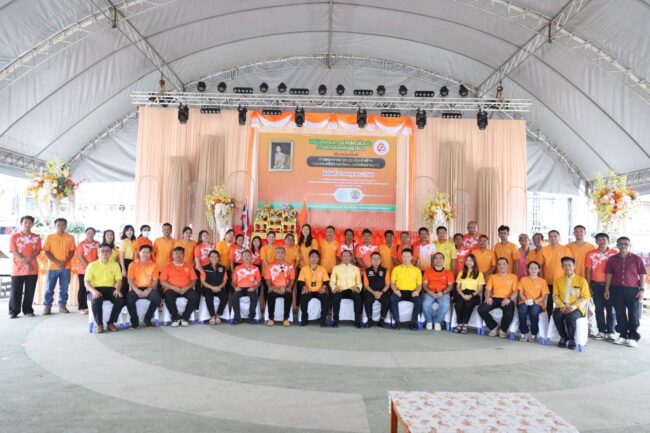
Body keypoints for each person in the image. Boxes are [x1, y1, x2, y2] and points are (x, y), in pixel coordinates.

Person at [604, 237, 647, 347]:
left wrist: (642, 290)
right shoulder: (612, 259)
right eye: (620, 244)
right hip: (616, 289)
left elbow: (642, 274)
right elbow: (609, 274)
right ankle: (622, 335)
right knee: (620, 313)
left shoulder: (636, 259)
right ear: (617, 245)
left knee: (633, 314)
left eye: (626, 244)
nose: (623, 245)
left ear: (630, 245)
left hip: (633, 290)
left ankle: (632, 337)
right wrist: (607, 288)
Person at [585, 233, 618, 340]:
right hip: (596, 284)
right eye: (599, 239)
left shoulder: (615, 253)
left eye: (604, 239)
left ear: (608, 241)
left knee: (611, 309)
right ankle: (601, 331)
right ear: (596, 241)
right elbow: (588, 270)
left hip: (612, 285)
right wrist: (588, 285)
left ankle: (611, 331)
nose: (602, 241)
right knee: (599, 309)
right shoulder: (590, 254)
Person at [85, 243, 124, 333]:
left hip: (110, 289)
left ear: (111, 253)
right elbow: (86, 282)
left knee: (120, 299)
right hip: (95, 289)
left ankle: (111, 323)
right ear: (98, 252)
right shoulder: (92, 265)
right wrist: (93, 291)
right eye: (102, 251)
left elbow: (119, 280)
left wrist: (117, 289)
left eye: (107, 251)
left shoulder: (115, 265)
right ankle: (100, 324)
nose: (105, 253)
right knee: (96, 299)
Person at [553, 257, 590, 349]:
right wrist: (562, 306)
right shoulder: (558, 280)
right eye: (565, 265)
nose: (567, 268)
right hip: (562, 306)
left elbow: (585, 297)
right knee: (557, 315)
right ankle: (563, 337)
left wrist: (573, 307)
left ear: (574, 266)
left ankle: (571, 339)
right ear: (562, 267)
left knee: (570, 317)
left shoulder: (582, 281)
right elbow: (555, 296)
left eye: (569, 265)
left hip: (578, 308)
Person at [8, 215, 42, 319]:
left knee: (30, 291)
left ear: (32, 224)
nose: (27, 224)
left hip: (32, 269)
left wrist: (29, 258)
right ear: (21, 224)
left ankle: (28, 310)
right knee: (15, 291)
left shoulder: (36, 237)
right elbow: (14, 251)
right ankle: (14, 311)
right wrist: (26, 262)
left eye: (30, 223)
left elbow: (38, 250)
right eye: (25, 222)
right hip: (17, 268)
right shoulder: (14, 236)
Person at [42, 218, 76, 315]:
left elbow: (72, 251)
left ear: (66, 226)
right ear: (55, 226)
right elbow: (46, 251)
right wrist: (57, 262)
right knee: (49, 288)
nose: (61, 226)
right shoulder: (49, 237)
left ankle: (62, 306)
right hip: (52, 267)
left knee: (64, 288)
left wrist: (64, 262)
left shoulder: (70, 237)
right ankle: (47, 306)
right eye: (59, 224)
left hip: (66, 267)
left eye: (63, 225)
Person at [159, 247, 199, 327]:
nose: (178, 255)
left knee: (194, 297)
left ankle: (185, 318)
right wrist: (174, 287)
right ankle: (175, 318)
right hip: (171, 289)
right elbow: (162, 281)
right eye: (176, 253)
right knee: (169, 297)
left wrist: (186, 288)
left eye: (181, 253)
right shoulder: (167, 266)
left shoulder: (189, 265)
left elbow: (193, 280)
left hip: (186, 288)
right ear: (172, 255)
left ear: (184, 255)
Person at [478, 258, 518, 338]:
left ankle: (503, 329)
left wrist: (509, 299)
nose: (502, 266)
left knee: (508, 312)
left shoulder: (514, 277)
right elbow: (487, 290)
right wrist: (487, 297)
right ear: (497, 266)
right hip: (494, 298)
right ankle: (493, 327)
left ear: (508, 265)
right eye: (499, 264)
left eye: (504, 264)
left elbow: (515, 292)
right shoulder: (493, 277)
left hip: (507, 299)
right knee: (481, 309)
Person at [125, 244, 161, 328]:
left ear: (150, 254)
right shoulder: (132, 264)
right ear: (139, 253)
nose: (146, 254)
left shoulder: (153, 265)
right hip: (136, 288)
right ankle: (134, 321)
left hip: (149, 288)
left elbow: (155, 281)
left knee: (157, 298)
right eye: (144, 252)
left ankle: (147, 318)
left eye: (148, 252)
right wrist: (137, 290)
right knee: (129, 299)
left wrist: (148, 290)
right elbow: (130, 280)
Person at [538, 230, 572, 314]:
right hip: (548, 281)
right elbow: (540, 266)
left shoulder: (565, 249)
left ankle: (561, 319)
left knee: (563, 302)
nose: (553, 238)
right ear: (548, 238)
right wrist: (542, 279)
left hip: (563, 281)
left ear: (559, 237)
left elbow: (570, 265)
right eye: (550, 236)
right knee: (549, 302)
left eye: (555, 236)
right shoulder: (543, 250)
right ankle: (549, 319)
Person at [390, 248, 423, 330]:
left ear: (411, 257)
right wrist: (395, 290)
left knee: (419, 301)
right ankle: (397, 321)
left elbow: (419, 285)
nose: (406, 258)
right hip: (399, 292)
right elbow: (392, 283)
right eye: (404, 256)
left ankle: (413, 322)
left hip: (412, 292)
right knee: (392, 299)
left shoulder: (417, 270)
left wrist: (417, 291)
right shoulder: (396, 269)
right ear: (401, 257)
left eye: (408, 256)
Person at [516, 261, 549, 342]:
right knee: (522, 310)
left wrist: (535, 301)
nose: (533, 270)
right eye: (531, 268)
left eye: (535, 268)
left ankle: (534, 333)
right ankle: (523, 332)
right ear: (528, 269)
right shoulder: (523, 280)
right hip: (525, 301)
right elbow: (520, 293)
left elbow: (544, 296)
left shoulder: (542, 281)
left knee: (534, 311)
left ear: (539, 270)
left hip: (538, 303)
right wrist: (526, 300)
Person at [330, 250, 363, 328]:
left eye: (348, 256)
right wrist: (335, 288)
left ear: (351, 257)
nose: (346, 257)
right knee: (335, 299)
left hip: (352, 289)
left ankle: (357, 321)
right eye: (344, 256)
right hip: (340, 289)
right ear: (341, 257)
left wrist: (358, 288)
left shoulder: (356, 268)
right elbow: (332, 281)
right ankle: (335, 320)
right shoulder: (336, 268)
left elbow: (359, 282)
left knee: (358, 298)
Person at [422, 252, 454, 331]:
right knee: (425, 304)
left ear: (443, 260)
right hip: (430, 293)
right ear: (433, 260)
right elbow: (424, 285)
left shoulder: (448, 272)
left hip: (443, 293)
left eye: (440, 258)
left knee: (445, 305)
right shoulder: (428, 271)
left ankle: (437, 321)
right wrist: (431, 292)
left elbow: (450, 286)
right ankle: (429, 321)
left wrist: (442, 293)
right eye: (436, 258)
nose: (438, 260)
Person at [453, 254, 485, 334]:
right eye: (467, 260)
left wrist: (471, 295)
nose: (468, 262)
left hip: (474, 294)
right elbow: (458, 287)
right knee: (458, 304)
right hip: (462, 293)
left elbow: (480, 289)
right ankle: (459, 323)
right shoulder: (461, 273)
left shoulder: (479, 274)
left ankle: (465, 324)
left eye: (471, 260)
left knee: (468, 304)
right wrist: (463, 295)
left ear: (474, 262)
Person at [264, 247, 295, 326]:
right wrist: (270, 287)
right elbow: (267, 279)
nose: (280, 254)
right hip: (274, 288)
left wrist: (289, 287)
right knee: (270, 295)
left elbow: (292, 279)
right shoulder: (270, 265)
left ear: (285, 254)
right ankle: (271, 318)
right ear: (275, 254)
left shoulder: (290, 265)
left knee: (289, 296)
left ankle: (286, 319)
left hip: (285, 288)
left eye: (282, 252)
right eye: (278, 252)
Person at [298, 250, 329, 327]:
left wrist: (323, 288)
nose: (314, 259)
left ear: (318, 259)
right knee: (303, 299)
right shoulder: (304, 269)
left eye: (316, 257)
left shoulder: (322, 269)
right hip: (308, 290)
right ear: (309, 258)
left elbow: (326, 281)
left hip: (319, 290)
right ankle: (304, 319)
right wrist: (304, 288)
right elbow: (301, 281)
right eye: (312, 257)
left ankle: (323, 320)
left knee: (325, 299)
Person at [231, 250, 261, 324]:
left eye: (248, 255)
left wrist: (254, 288)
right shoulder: (237, 268)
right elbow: (233, 282)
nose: (247, 257)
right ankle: (237, 318)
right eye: (245, 256)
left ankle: (251, 318)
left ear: (251, 257)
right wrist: (235, 287)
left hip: (251, 288)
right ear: (242, 258)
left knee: (254, 298)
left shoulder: (255, 268)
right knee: (234, 297)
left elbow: (259, 282)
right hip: (240, 288)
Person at [362, 252, 391, 328]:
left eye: (378, 258)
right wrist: (373, 292)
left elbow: (388, 284)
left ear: (380, 260)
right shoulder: (367, 271)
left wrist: (381, 292)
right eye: (373, 258)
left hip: (382, 292)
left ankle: (382, 320)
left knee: (386, 301)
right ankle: (370, 320)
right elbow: (366, 285)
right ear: (371, 260)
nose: (376, 260)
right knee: (367, 300)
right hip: (370, 292)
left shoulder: (385, 270)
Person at [74, 227, 99, 315]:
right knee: (83, 288)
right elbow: (80, 256)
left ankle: (91, 305)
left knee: (93, 288)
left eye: (92, 233)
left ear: (94, 234)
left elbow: (99, 256)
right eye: (89, 232)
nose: (90, 234)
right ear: (86, 233)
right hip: (83, 270)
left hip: (95, 270)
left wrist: (94, 267)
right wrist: (88, 267)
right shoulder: (81, 244)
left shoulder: (98, 244)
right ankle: (82, 307)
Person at [200, 250, 228, 325]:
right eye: (212, 257)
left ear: (219, 258)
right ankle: (212, 316)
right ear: (209, 258)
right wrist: (212, 287)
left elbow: (224, 281)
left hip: (219, 288)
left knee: (225, 297)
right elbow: (203, 281)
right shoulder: (204, 268)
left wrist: (219, 287)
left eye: (216, 257)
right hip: (208, 288)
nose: (214, 258)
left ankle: (218, 315)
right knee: (209, 298)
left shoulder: (223, 268)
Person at [119, 225, 136, 293]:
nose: (129, 232)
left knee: (132, 280)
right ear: (125, 232)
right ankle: (124, 297)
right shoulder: (124, 241)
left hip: (133, 262)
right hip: (125, 262)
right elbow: (121, 255)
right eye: (127, 230)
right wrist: (123, 268)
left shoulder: (134, 241)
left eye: (131, 230)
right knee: (125, 281)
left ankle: (130, 296)